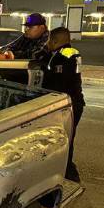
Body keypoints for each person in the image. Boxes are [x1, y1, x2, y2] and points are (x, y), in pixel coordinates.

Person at [34, 26, 85, 182]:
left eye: (49, 40)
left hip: (69, 105)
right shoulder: (61, 53)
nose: (47, 43)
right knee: (61, 138)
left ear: (55, 41)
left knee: (66, 139)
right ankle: (63, 169)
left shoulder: (66, 55)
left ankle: (69, 172)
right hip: (67, 103)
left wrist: (46, 56)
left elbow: (55, 78)